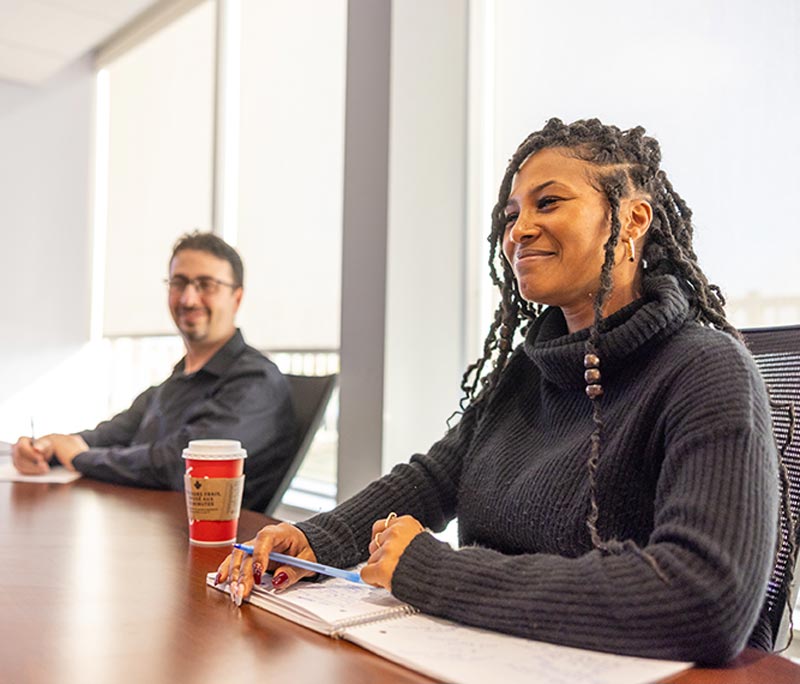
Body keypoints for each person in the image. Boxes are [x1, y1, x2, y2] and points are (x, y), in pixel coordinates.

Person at [217, 119, 781, 663]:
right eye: (512, 214)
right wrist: (315, 539)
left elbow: (704, 598)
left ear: (633, 220)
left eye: (549, 202)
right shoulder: (528, 370)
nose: (519, 230)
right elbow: (434, 479)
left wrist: (432, 571)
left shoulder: (705, 371)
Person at [12, 231, 297, 512]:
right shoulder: (178, 380)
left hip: (208, 551)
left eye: (206, 285)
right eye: (179, 283)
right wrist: (48, 448)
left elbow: (178, 466)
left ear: (237, 297)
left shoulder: (255, 382)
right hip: (146, 529)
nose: (188, 299)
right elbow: (114, 433)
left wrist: (80, 457)